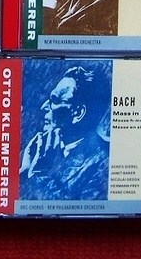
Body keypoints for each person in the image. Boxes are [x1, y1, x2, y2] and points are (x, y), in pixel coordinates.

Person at [19, 64, 110, 201]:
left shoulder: (104, 163)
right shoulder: (34, 150)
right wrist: (24, 173)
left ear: (77, 113)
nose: (44, 106)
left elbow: (80, 210)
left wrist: (38, 173)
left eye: (54, 100)